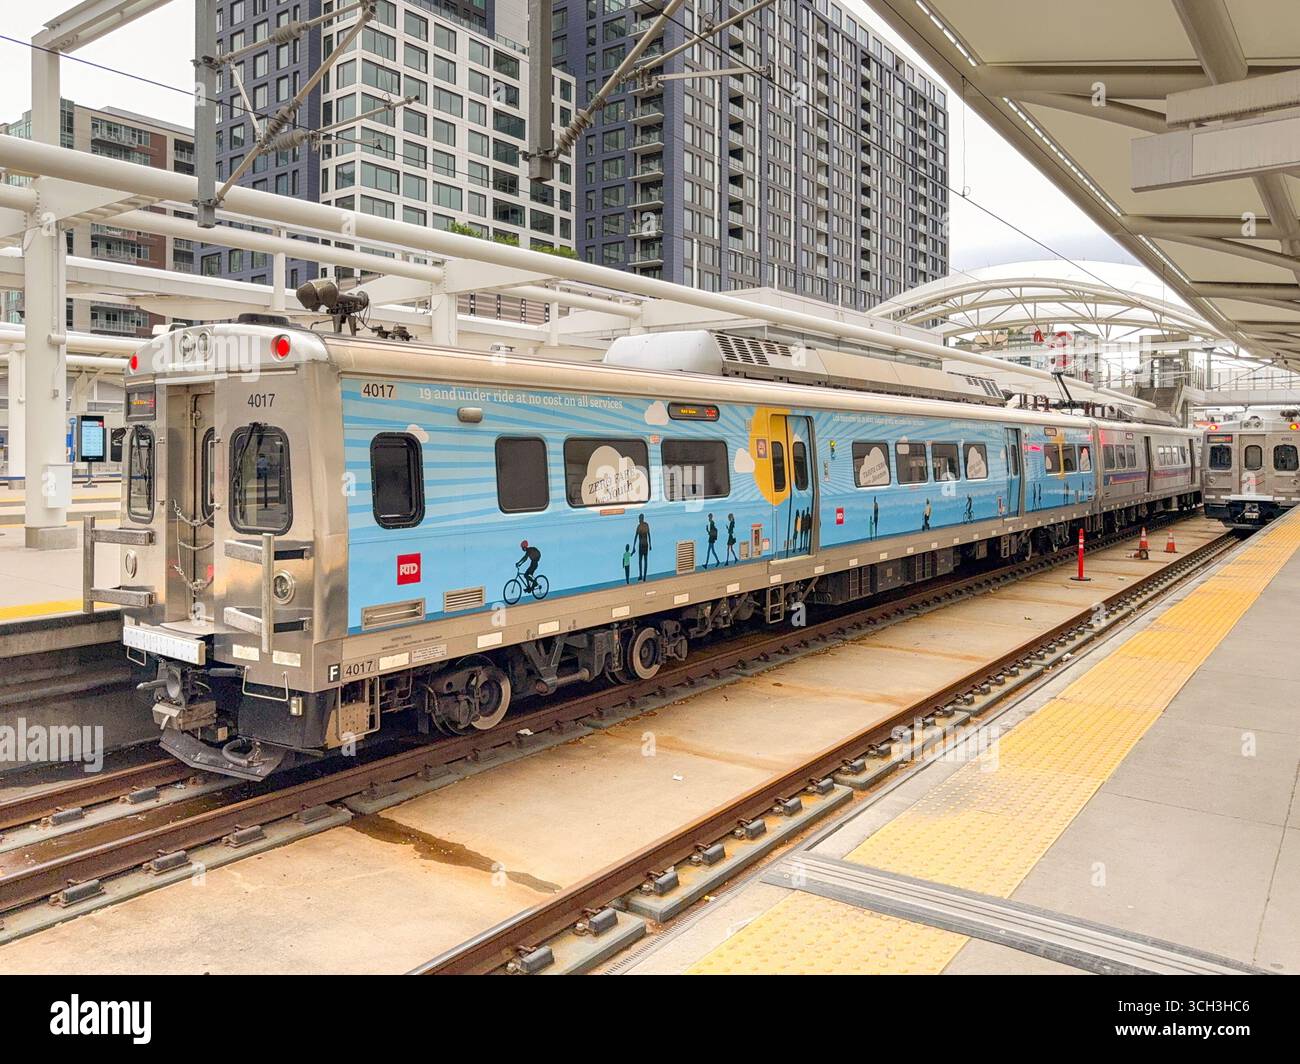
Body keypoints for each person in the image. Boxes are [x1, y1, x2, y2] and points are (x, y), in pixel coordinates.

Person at [634, 513, 652, 581]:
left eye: (639, 518)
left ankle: (642, 575)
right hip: (645, 545)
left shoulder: (639, 526)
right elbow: (649, 535)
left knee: (641, 561)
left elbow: (636, 536)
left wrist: (633, 546)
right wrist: (650, 545)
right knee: (645, 560)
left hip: (641, 545)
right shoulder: (646, 525)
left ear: (641, 518)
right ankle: (643, 576)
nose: (639, 520)